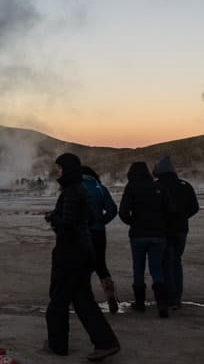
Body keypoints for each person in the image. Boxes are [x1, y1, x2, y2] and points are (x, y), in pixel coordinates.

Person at [44, 153, 120, 361]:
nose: (57, 171)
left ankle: (57, 345)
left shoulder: (71, 192)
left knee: (58, 299)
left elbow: (67, 225)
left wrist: (53, 218)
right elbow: (92, 218)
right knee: (83, 300)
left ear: (67, 169)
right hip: (83, 252)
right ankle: (106, 342)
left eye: (59, 168)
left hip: (69, 253)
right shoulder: (82, 189)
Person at [118, 161, 169, 318]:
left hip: (138, 235)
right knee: (157, 269)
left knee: (138, 268)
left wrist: (133, 222)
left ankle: (140, 304)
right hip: (158, 234)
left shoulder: (131, 187)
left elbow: (123, 212)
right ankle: (162, 304)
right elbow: (170, 210)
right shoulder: (158, 186)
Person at [152, 156, 199, 309]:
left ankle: (169, 297)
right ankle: (177, 296)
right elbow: (194, 207)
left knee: (166, 262)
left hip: (163, 230)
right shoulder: (185, 185)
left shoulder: (157, 186)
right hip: (181, 230)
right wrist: (183, 217)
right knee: (176, 261)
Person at [82, 165, 119, 314]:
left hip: (82, 232)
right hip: (98, 232)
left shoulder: (76, 187)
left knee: (82, 266)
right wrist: (101, 221)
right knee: (100, 264)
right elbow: (112, 210)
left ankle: (85, 299)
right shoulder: (100, 188)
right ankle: (109, 294)